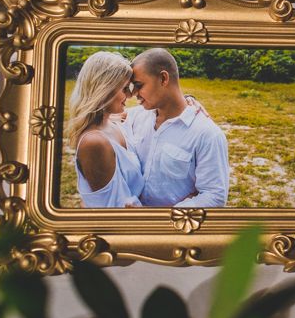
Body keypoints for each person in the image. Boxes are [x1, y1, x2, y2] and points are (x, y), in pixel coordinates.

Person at [125, 48, 230, 208]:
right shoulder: (135, 117)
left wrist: (160, 217)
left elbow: (215, 197)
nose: (134, 94)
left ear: (163, 78)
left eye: (139, 85)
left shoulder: (207, 134)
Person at [66, 51, 144, 208]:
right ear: (104, 90)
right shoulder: (94, 142)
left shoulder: (114, 120)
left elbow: (156, 110)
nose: (130, 95)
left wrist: (188, 101)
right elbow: (114, 209)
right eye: (124, 88)